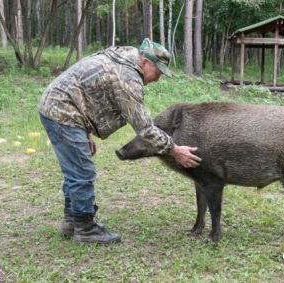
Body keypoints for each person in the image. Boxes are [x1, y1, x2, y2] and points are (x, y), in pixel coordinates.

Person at [38, 38, 202, 244]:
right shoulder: (128, 78)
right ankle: (86, 229)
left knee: (75, 170)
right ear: (144, 63)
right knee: (82, 171)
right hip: (62, 112)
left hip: (59, 106)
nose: (157, 79)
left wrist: (85, 130)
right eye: (157, 73)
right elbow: (145, 128)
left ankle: (73, 221)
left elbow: (84, 89)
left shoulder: (125, 56)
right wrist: (175, 150)